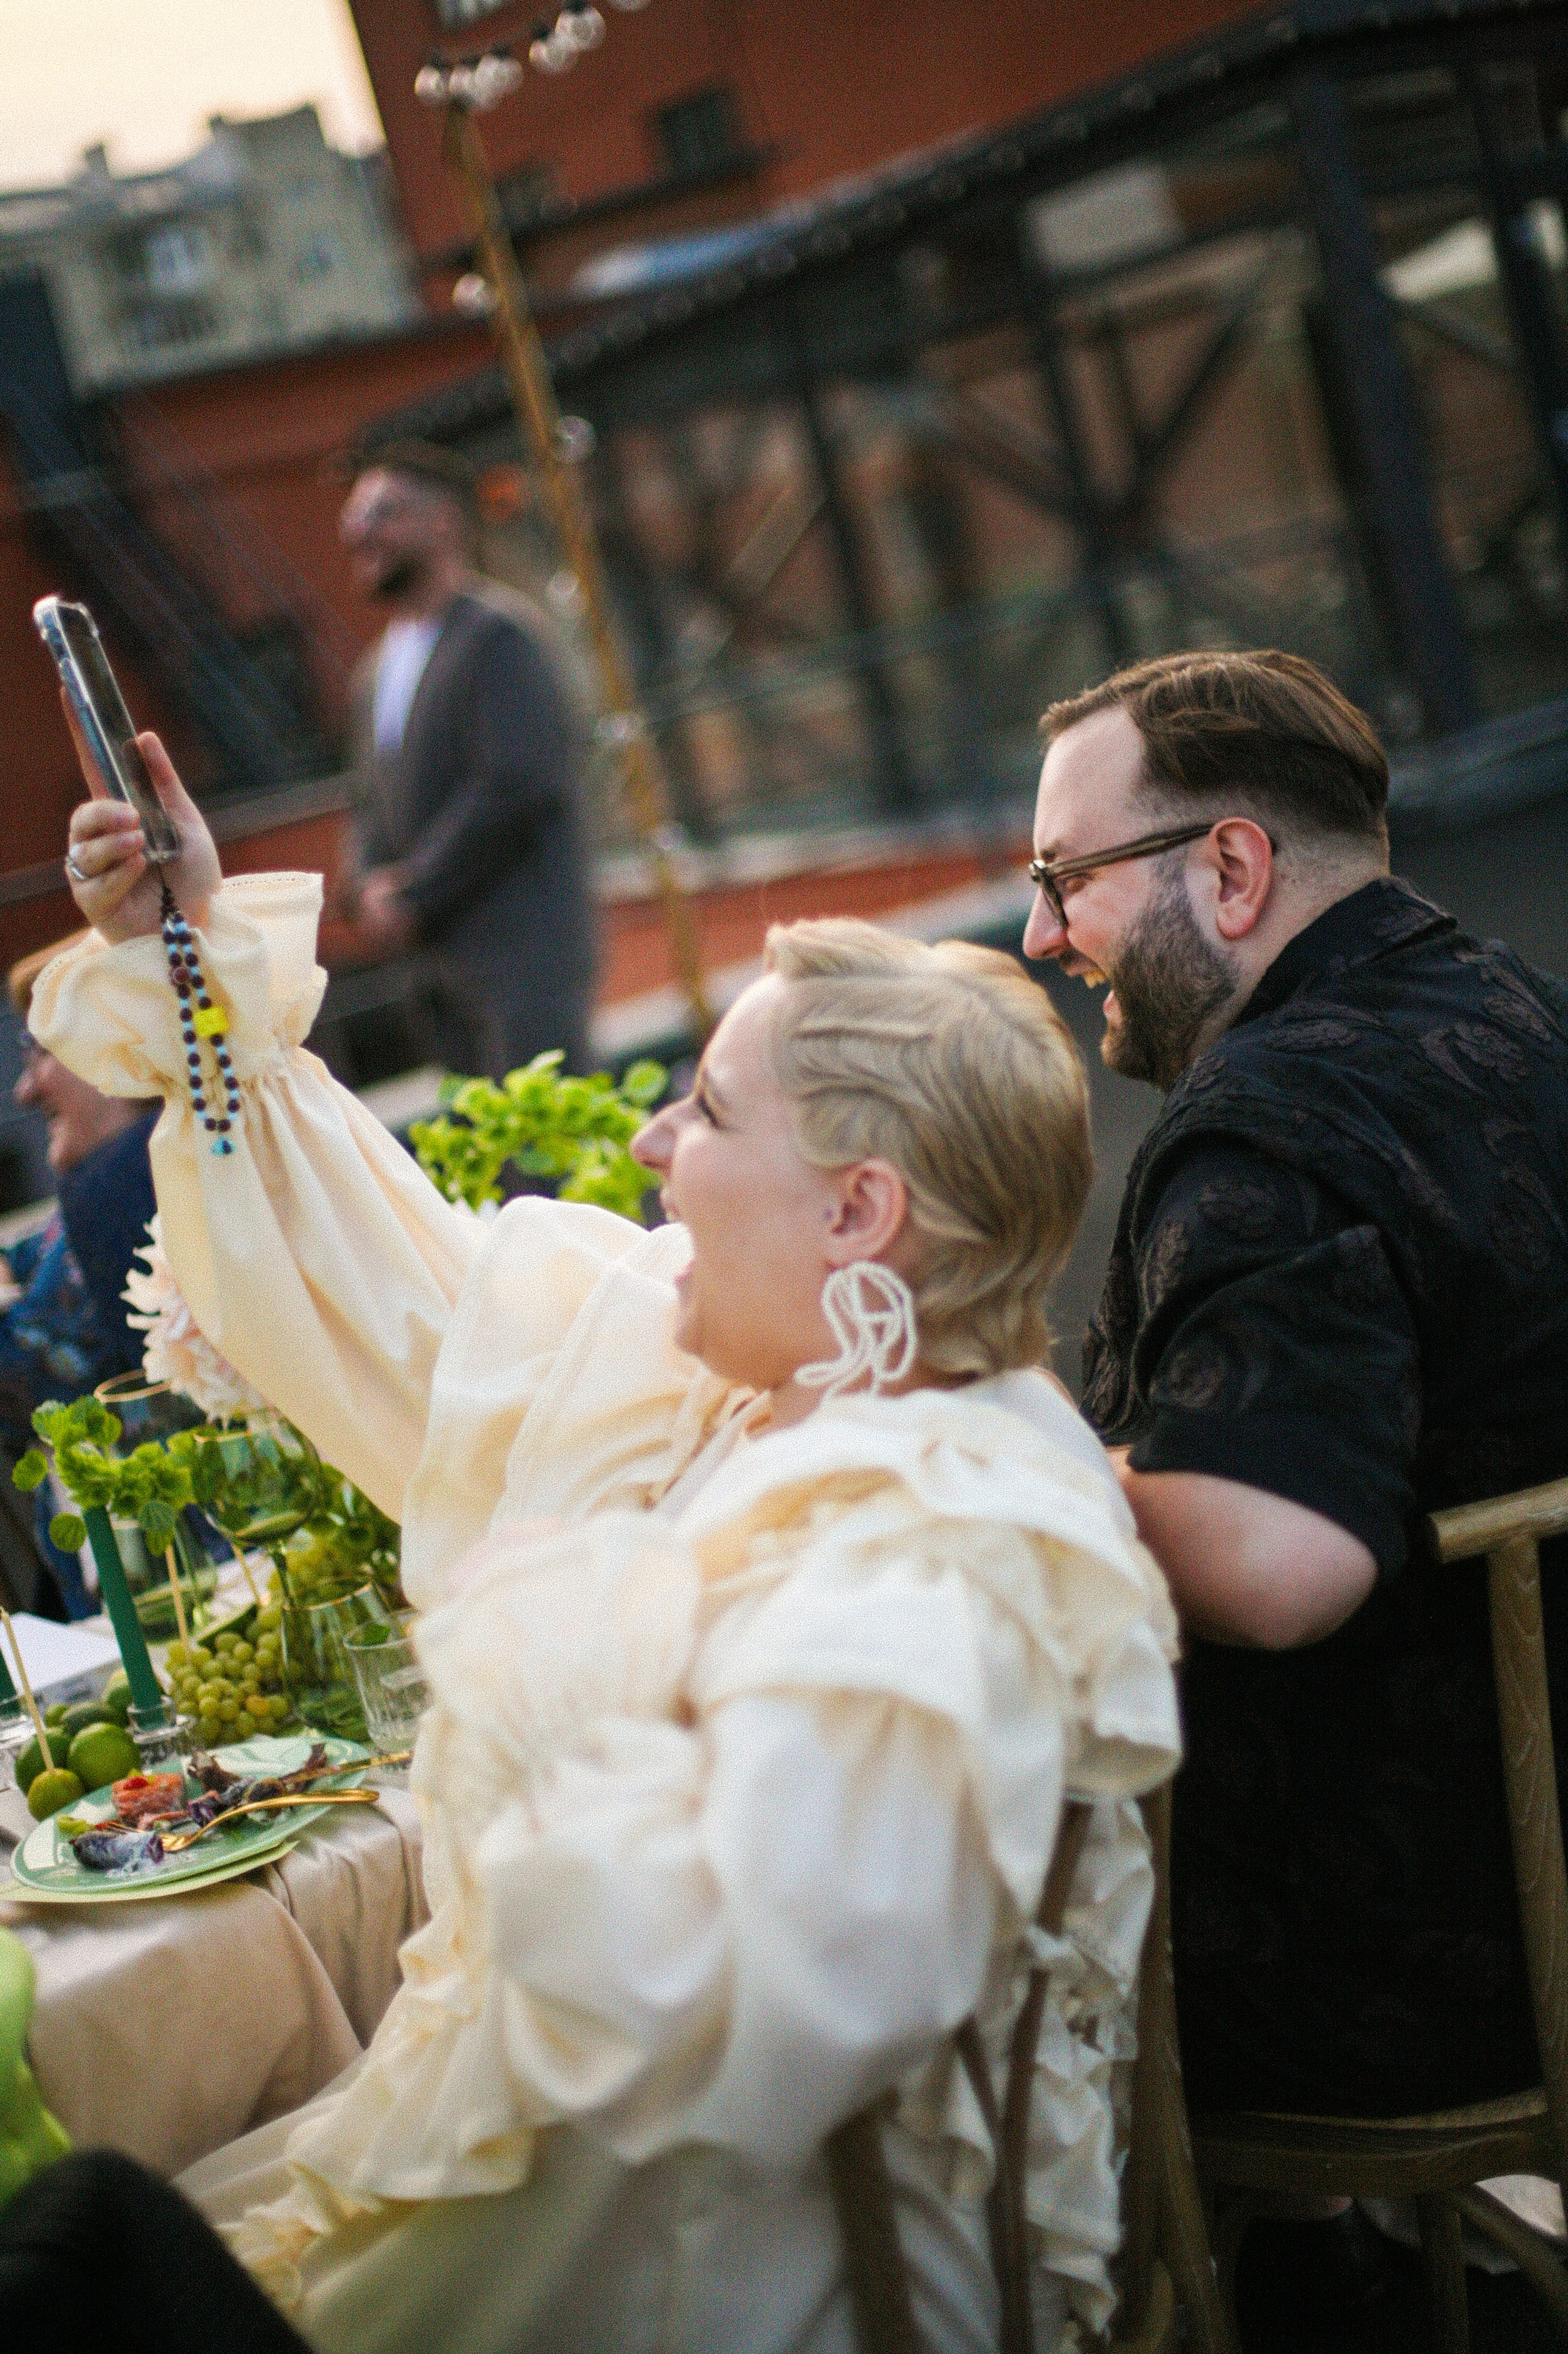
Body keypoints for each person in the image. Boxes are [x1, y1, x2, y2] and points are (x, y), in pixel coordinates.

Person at [37, 731, 1180, 2354]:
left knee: (86, 2250)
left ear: (857, 1215)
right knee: (94, 2229)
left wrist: (547, 1699)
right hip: (546, 2163)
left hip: (699, 2257)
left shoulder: (944, 1537)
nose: (651, 1144)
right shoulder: (725, 1372)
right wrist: (191, 951)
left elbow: (782, 2010)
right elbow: (401, 1296)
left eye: (707, 1112)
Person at [1021, 648, 1568, 2138]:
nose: (1038, 933)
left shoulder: (1265, 1120)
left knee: (924, 1972)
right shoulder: (1522, 1005)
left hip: (1448, 1960)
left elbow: (1275, 1569)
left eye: (1063, 878)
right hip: (1526, 1873)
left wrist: (997, 1445)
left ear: (1233, 868)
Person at [335, 440, 596, 1081]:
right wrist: (361, 888)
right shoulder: (375, 671)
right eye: (353, 515)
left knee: (549, 1158)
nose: (356, 530)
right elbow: (368, 802)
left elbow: (517, 784)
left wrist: (412, 890)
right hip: (434, 974)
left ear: (444, 523)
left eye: (383, 513)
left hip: (520, 960)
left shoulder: (498, 636)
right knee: (484, 1167)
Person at [0, 941, 158, 1615]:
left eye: (41, 1053)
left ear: (115, 1052)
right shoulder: (134, 1167)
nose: (25, 1088)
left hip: (182, 1581)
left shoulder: (126, 1178)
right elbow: (37, 1263)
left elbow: (40, 1371)